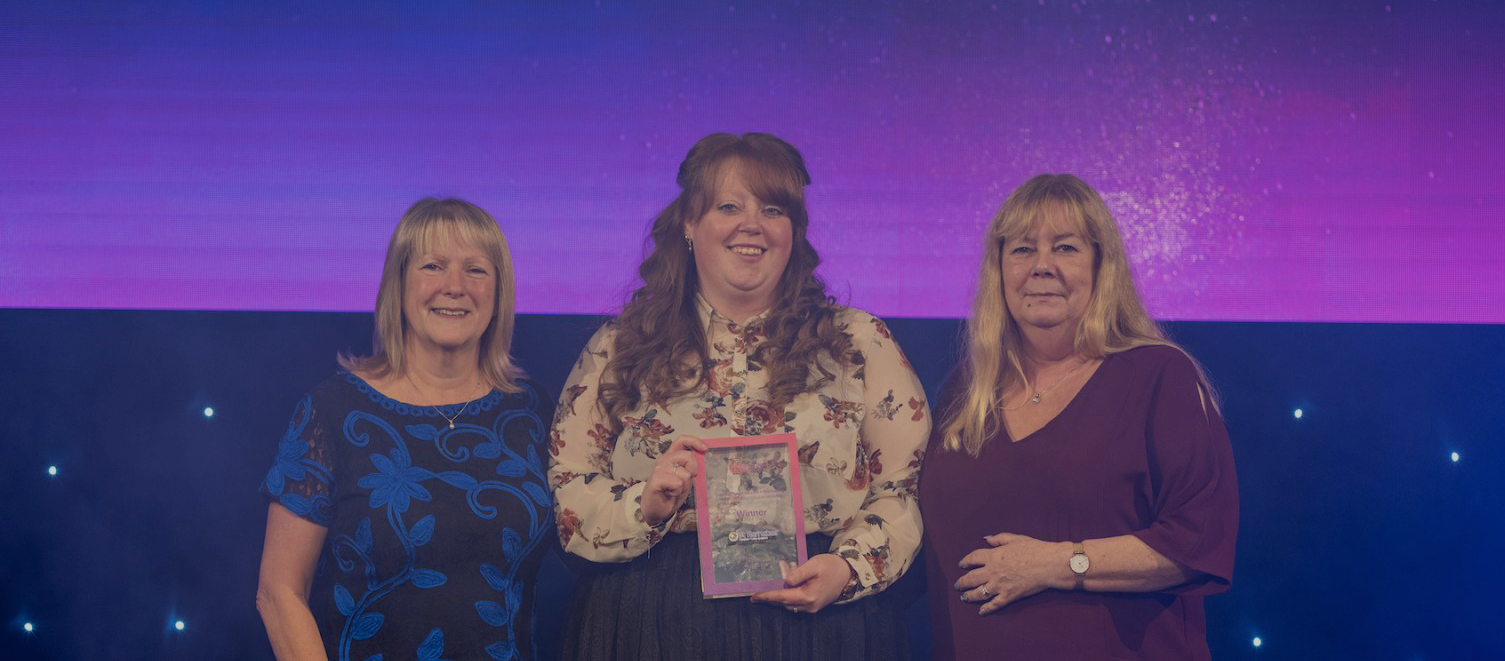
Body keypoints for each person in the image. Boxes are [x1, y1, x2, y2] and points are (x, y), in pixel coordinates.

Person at [548, 132, 930, 660]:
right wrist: (647, 504)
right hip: (654, 616)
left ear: (794, 230)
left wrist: (847, 568)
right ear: (688, 222)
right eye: (729, 206)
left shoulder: (857, 342)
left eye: (773, 209)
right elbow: (569, 488)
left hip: (818, 618)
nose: (751, 224)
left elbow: (900, 490)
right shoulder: (620, 347)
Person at [920, 174, 1238, 660]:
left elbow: (1198, 540)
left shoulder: (1158, 376)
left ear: (1100, 266)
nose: (1042, 266)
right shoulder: (965, 393)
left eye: (1065, 248)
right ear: (998, 270)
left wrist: (1056, 563)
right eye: (1022, 249)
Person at [256, 198, 553, 661]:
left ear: (499, 294)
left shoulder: (531, 410)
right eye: (433, 266)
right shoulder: (333, 410)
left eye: (476, 270)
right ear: (399, 284)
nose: (454, 287)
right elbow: (279, 591)